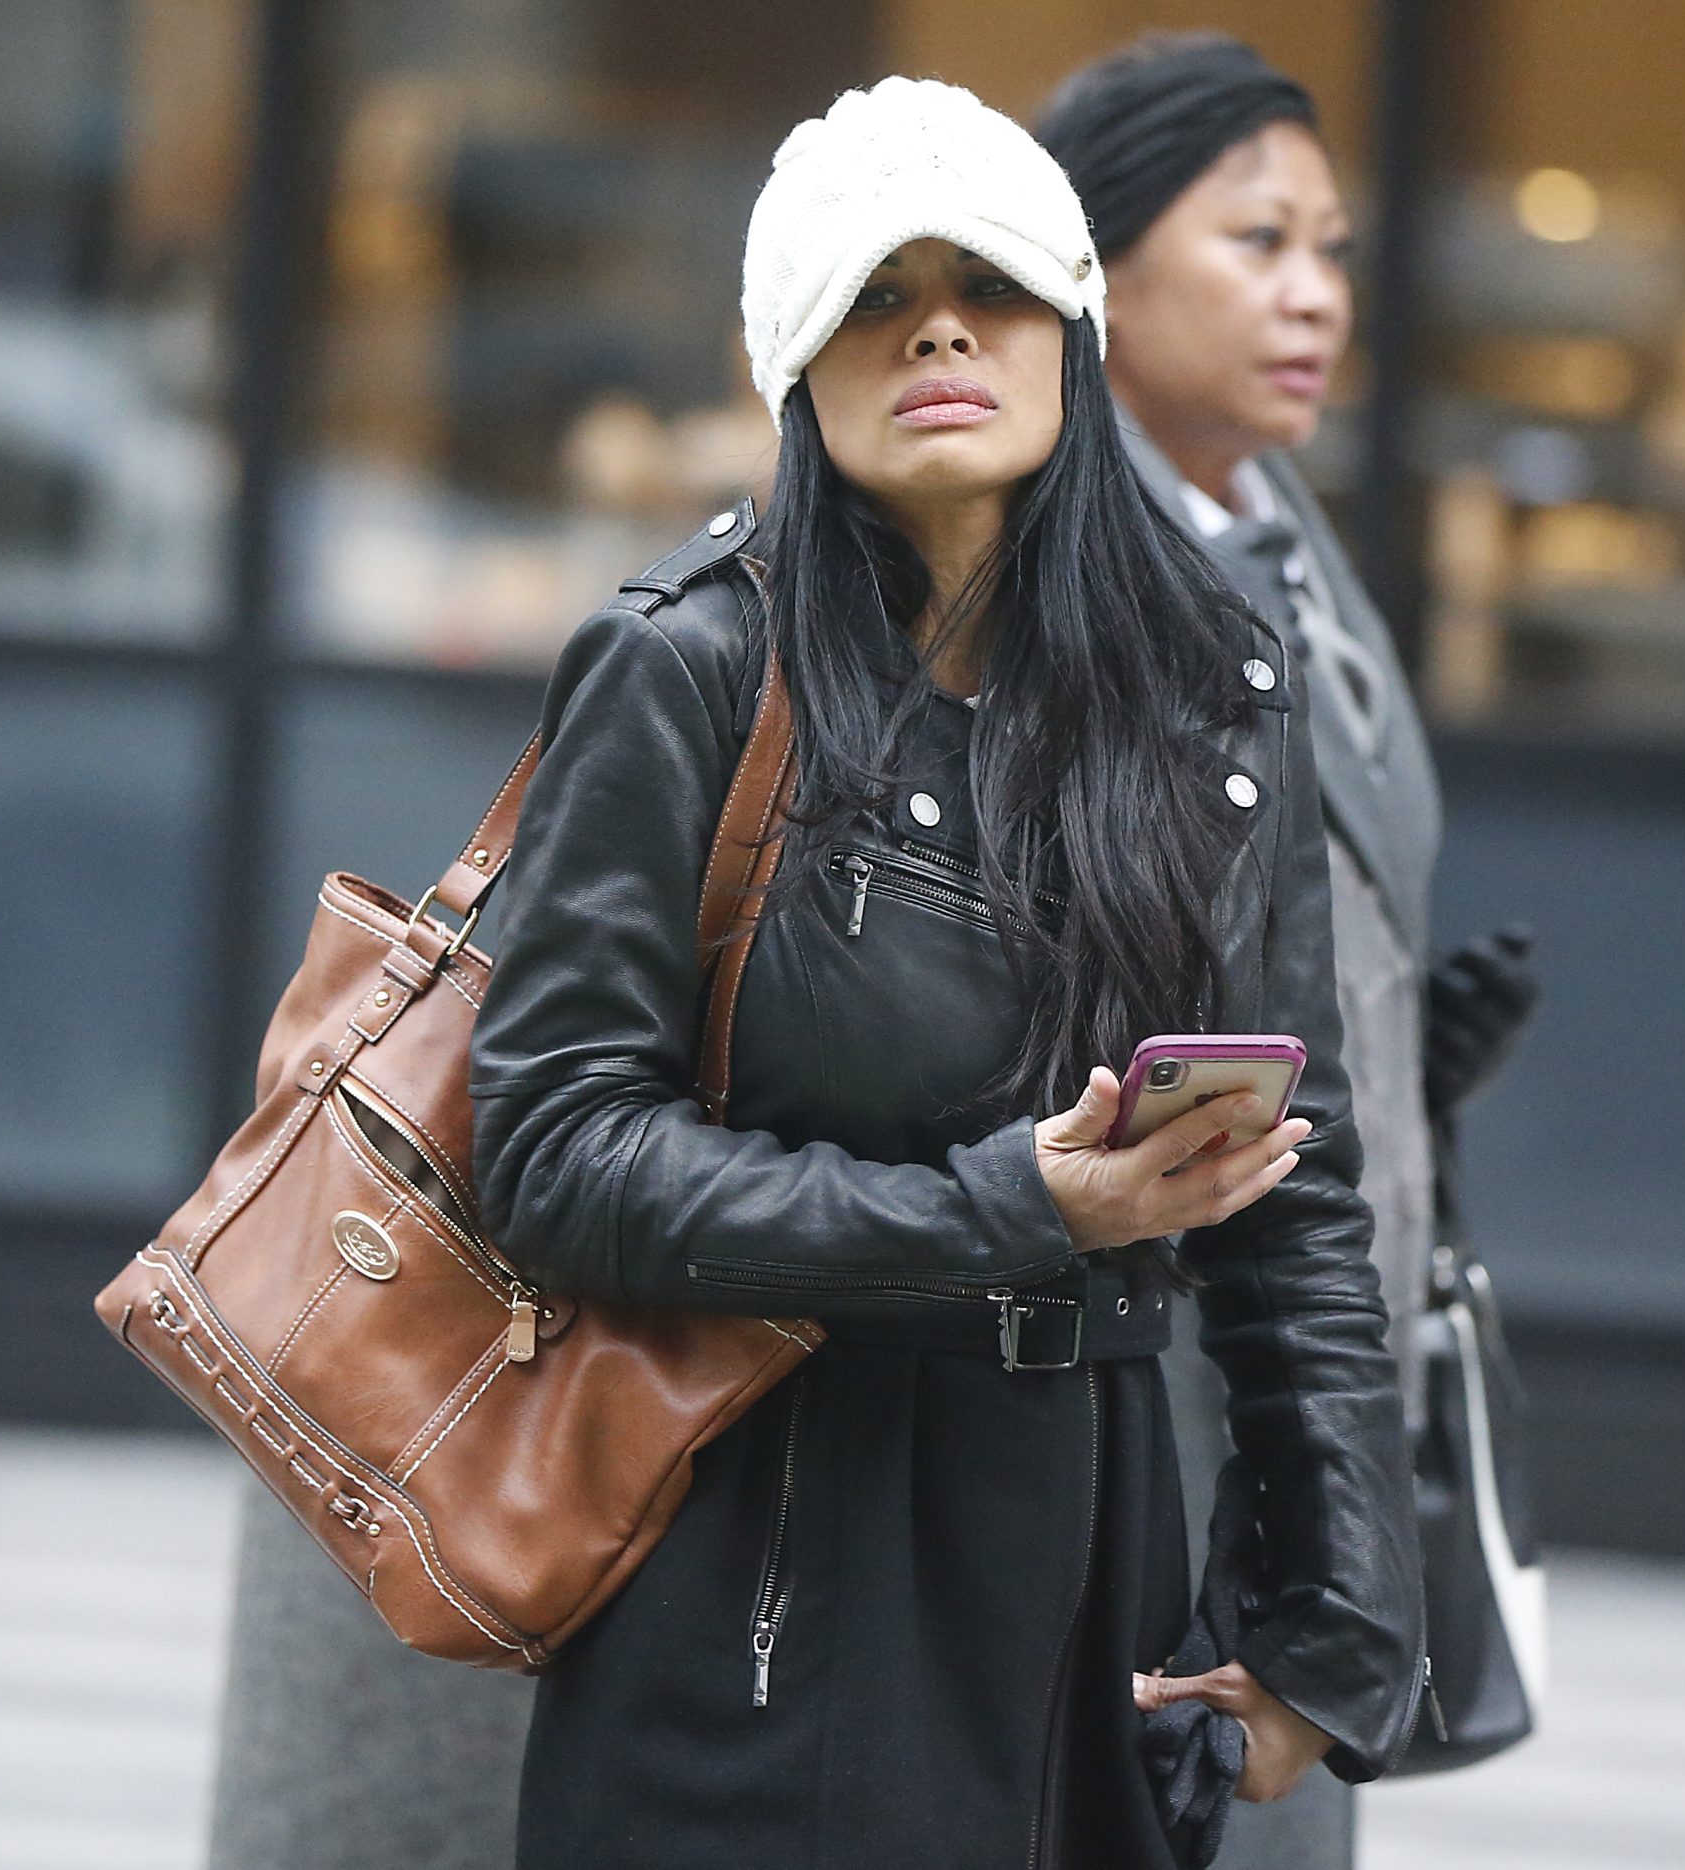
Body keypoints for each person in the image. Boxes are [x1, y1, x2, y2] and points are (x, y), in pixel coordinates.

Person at [463, 75, 1422, 1869]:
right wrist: (1007, 1206)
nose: (940, 332)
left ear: (1071, 324)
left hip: (1100, 1585)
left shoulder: (1215, 683)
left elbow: (1301, 1188)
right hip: (761, 1563)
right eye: (876, 298)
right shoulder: (689, 667)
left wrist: (1335, 1622)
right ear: (794, 364)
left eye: (983, 283)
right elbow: (553, 1153)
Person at [1035, 36, 1540, 1868]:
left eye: (1332, 245)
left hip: (1332, 1309)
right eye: (1256, 241)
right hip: (1173, 1356)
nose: (1316, 293)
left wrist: (1413, 1054)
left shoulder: (1284, 530)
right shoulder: (1066, 571)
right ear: (1095, 267)